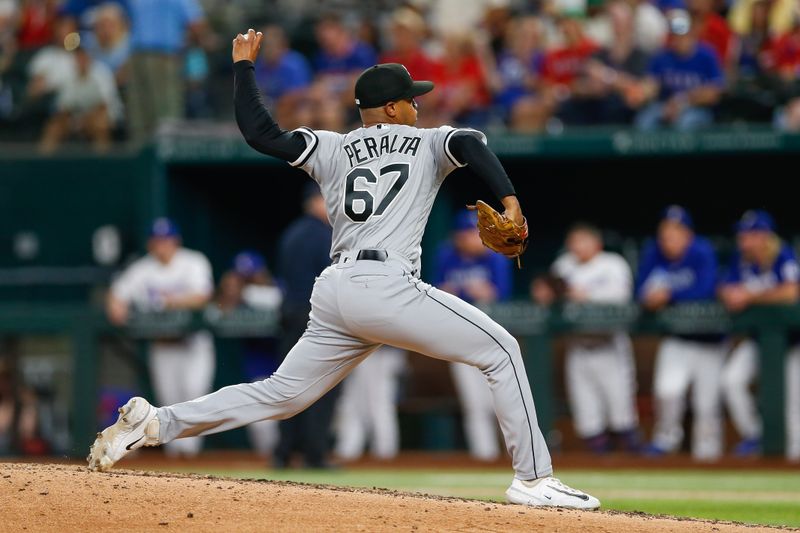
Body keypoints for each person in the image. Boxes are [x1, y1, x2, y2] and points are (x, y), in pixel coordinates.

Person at [88, 28, 600, 510]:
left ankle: (155, 423)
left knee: (282, 394)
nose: (418, 107)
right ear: (394, 107)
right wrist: (509, 201)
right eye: (412, 100)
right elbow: (470, 143)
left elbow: (261, 135)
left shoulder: (333, 146)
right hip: (384, 285)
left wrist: (244, 68)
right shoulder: (426, 142)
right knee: (503, 350)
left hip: (334, 290)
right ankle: (534, 479)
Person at [104, 217, 215, 458]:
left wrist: (169, 301)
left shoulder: (193, 261)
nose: (162, 245)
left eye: (167, 240)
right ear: (150, 244)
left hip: (192, 343)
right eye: (158, 241)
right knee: (168, 401)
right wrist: (116, 305)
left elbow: (202, 295)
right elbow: (117, 294)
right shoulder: (143, 269)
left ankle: (192, 454)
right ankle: (177, 456)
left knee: (194, 392)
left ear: (176, 241)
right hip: (162, 344)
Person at [532, 223, 639, 454]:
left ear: (596, 243)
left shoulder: (613, 264)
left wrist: (586, 295)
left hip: (609, 345)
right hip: (578, 346)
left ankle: (634, 466)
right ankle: (602, 467)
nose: (577, 247)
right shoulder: (563, 266)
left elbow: (622, 298)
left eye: (583, 241)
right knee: (587, 415)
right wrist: (545, 294)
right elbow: (549, 296)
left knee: (621, 413)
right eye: (574, 242)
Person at [636, 206, 725, 461]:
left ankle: (708, 454)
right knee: (667, 391)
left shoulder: (702, 251)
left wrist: (670, 295)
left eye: (675, 233)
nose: (668, 240)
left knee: (706, 404)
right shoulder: (655, 253)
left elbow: (706, 290)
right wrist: (648, 298)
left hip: (710, 340)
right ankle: (665, 442)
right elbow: (640, 289)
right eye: (665, 234)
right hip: (677, 338)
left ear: (688, 234)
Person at [718, 210, 800, 461]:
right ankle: (755, 434)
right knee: (731, 380)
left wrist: (750, 296)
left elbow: (791, 292)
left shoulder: (783, 254)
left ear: (764, 236)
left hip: (793, 342)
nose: (743, 240)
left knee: (792, 404)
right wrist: (730, 294)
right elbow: (723, 286)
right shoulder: (741, 259)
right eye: (742, 235)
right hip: (760, 340)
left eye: (749, 235)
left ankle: (794, 460)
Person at [433, 210, 512, 462]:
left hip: (492, 338)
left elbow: (502, 296)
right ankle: (485, 457)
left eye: (475, 234)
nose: (471, 238)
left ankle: (514, 456)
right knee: (474, 404)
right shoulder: (446, 256)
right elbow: (435, 292)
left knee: (502, 403)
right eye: (466, 233)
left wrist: (478, 293)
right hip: (458, 338)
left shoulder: (495, 258)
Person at [272, 182, 338, 469]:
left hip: (289, 314)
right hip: (314, 317)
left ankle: (284, 452)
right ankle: (315, 453)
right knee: (321, 386)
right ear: (313, 202)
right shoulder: (324, 235)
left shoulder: (291, 233)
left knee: (288, 384)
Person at [216, 250, 283, 458]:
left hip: (285, 357)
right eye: (244, 276)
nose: (250, 279)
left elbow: (274, 299)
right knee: (262, 422)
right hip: (259, 363)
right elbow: (219, 312)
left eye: (252, 274)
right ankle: (271, 460)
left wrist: (244, 291)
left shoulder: (279, 287)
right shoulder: (238, 295)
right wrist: (230, 291)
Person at [125, 0, 208, 142]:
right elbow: (197, 24)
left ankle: (155, 155)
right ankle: (157, 154)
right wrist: (196, 43)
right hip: (156, 56)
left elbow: (196, 23)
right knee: (158, 113)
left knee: (150, 114)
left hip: (146, 55)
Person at [633, 9, 724, 131]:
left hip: (696, 108)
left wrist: (683, 102)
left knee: (684, 124)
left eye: (684, 35)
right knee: (644, 121)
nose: (679, 39)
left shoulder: (706, 55)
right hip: (664, 106)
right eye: (676, 35)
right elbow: (650, 84)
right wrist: (644, 92)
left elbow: (714, 93)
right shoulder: (662, 56)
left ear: (692, 33)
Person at [39, 45, 122, 153]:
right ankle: (43, 166)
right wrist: (75, 122)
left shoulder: (101, 72)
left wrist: (84, 121)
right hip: (76, 118)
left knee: (99, 125)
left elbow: (103, 107)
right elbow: (63, 108)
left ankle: (102, 166)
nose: (81, 60)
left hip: (104, 116)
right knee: (53, 127)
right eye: (78, 57)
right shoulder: (69, 76)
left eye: (84, 57)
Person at [333, 345, 406, 461]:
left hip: (384, 351)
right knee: (351, 404)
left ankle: (385, 452)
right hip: (358, 347)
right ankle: (348, 450)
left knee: (379, 405)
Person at [253, 25, 312, 131]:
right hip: (270, 110)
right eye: (265, 46)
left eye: (272, 45)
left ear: (283, 45)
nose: (268, 50)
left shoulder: (294, 63)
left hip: (296, 109)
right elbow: (257, 92)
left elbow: (301, 93)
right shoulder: (259, 65)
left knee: (303, 116)